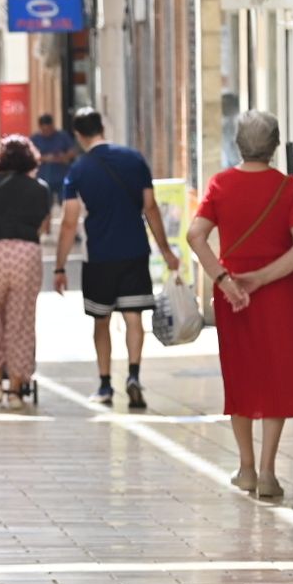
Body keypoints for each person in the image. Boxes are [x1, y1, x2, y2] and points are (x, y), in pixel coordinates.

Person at [185, 112, 293, 498]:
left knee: (241, 375)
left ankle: (244, 467)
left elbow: (196, 236)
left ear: (238, 143)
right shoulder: (287, 187)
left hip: (233, 297)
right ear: (275, 145)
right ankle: (267, 472)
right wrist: (262, 278)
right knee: (275, 376)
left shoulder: (221, 184)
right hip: (279, 293)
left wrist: (224, 279)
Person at [54, 108, 181, 408]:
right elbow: (150, 207)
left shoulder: (77, 171)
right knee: (134, 316)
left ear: (78, 135)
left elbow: (69, 221)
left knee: (101, 320)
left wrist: (60, 266)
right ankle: (134, 375)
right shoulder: (134, 159)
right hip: (135, 250)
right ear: (102, 127)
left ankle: (105, 385)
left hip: (98, 256)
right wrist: (165, 250)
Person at [0, 136, 52, 410]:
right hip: (25, 253)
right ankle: (16, 390)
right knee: (21, 321)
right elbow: (44, 225)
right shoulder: (39, 188)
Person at [30, 114, 79, 207]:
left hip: (62, 177)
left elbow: (73, 151)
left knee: (66, 204)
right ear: (40, 127)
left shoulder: (62, 136)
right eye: (44, 130)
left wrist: (64, 156)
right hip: (43, 178)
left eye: (49, 129)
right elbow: (30, 156)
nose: (47, 132)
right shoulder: (35, 139)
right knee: (44, 207)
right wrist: (44, 158)